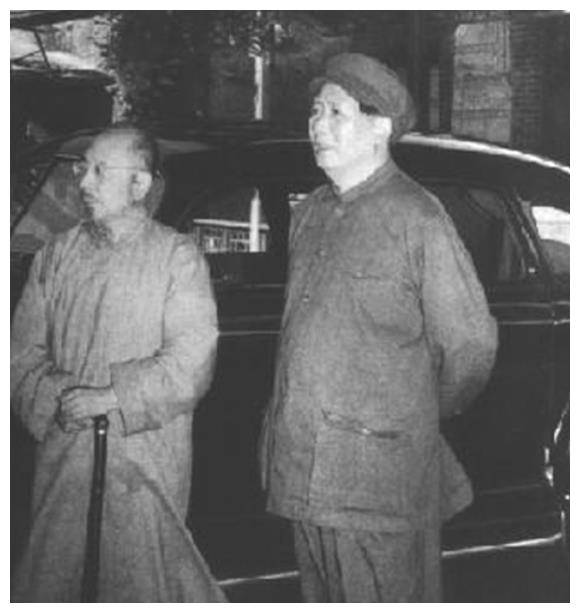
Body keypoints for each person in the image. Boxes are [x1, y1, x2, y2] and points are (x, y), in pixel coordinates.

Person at [259, 53, 498, 602]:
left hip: (376, 480)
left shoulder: (417, 217)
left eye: (336, 113)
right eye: (314, 112)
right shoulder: (310, 213)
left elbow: (470, 345)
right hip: (303, 468)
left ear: (380, 127)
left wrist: (411, 413)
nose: (317, 126)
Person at [11, 126, 226, 602]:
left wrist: (111, 398)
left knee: (143, 581)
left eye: (99, 171)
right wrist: (60, 399)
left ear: (140, 184)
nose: (84, 182)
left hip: (143, 462)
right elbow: (19, 354)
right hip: (64, 459)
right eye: (82, 169)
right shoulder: (55, 255)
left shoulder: (177, 258)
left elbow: (192, 360)